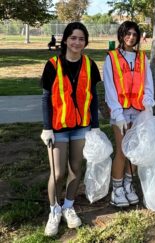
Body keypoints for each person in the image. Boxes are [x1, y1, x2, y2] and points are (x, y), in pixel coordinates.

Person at [40, 22, 101, 236]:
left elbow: (93, 99)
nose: (77, 42)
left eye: (81, 39)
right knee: (58, 173)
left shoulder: (90, 65)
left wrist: (94, 126)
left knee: (76, 169)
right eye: (73, 38)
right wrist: (47, 128)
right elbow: (46, 98)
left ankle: (68, 206)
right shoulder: (52, 65)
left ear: (85, 42)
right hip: (57, 128)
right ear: (65, 40)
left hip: (81, 127)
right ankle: (53, 210)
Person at [103, 21, 155, 207]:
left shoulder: (142, 57)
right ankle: (116, 189)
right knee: (122, 150)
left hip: (139, 111)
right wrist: (118, 115)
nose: (131, 37)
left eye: (134, 34)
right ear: (121, 35)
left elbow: (148, 84)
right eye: (128, 33)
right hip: (121, 112)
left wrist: (148, 106)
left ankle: (128, 184)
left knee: (134, 151)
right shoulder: (112, 58)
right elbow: (110, 88)